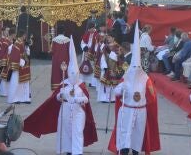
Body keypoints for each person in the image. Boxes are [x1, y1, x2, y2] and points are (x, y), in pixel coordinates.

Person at [23, 37, 98, 154]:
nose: (73, 76)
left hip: (78, 112)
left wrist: (78, 99)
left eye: (75, 74)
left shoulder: (81, 85)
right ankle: (67, 149)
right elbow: (56, 97)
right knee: (66, 131)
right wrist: (61, 95)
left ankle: (77, 151)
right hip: (65, 110)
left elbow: (86, 99)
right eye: (71, 74)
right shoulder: (64, 83)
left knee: (77, 131)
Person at [108, 22, 160, 155]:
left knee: (138, 135)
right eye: (134, 68)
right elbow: (117, 92)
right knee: (125, 134)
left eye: (138, 68)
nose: (136, 70)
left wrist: (148, 102)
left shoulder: (146, 79)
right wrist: (122, 88)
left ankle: (136, 151)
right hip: (127, 110)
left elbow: (152, 96)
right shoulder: (126, 77)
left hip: (141, 111)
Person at [4, 31, 31, 104]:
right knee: (15, 82)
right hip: (19, 65)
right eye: (25, 35)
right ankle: (13, 98)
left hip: (23, 65)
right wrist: (22, 62)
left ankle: (24, 98)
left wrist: (27, 48)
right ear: (23, 35)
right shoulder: (17, 43)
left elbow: (25, 53)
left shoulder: (21, 42)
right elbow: (15, 55)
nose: (25, 37)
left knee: (24, 82)